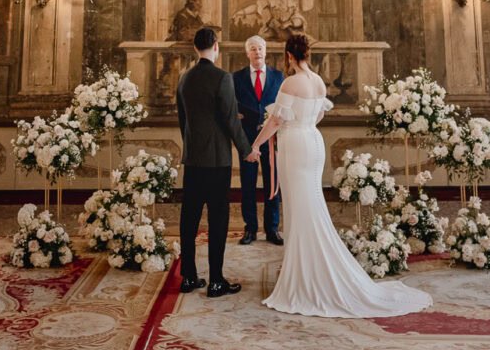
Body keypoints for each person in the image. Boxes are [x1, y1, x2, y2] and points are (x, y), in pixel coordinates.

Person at [247, 33, 433, 319]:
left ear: (288, 55)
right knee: (309, 203)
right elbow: (318, 115)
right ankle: (307, 266)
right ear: (306, 54)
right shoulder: (318, 81)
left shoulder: (290, 82)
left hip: (295, 145)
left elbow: (276, 120)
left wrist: (257, 143)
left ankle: (306, 273)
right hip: (313, 141)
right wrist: (301, 123)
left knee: (299, 207)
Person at [176, 25, 252, 299]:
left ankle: (188, 277)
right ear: (216, 46)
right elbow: (231, 120)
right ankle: (216, 281)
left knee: (189, 220)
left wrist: (193, 144)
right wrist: (247, 150)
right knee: (218, 221)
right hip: (218, 161)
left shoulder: (184, 79)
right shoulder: (223, 78)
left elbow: (182, 120)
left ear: (196, 48)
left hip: (193, 160)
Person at [231, 35, 283, 246]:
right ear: (247, 53)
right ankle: (250, 229)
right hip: (247, 139)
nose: (257, 52)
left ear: (266, 51)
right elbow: (231, 105)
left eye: (260, 48)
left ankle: (272, 229)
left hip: (271, 139)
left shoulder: (278, 76)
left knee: (272, 184)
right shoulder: (236, 78)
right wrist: (237, 115)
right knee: (248, 185)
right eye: (253, 49)